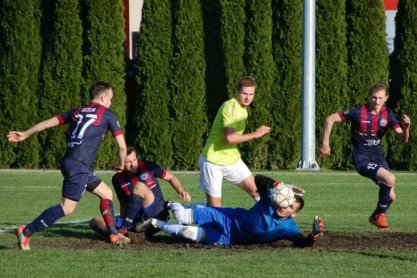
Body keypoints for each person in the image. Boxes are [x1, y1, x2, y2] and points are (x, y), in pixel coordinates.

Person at [7, 81, 131, 250]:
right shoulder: (107, 114)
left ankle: (113, 233)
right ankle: (26, 231)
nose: (111, 102)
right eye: (110, 99)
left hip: (73, 163)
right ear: (103, 97)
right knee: (67, 208)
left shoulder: (78, 111)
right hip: (79, 166)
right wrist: (121, 164)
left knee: (106, 193)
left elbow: (47, 123)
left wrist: (26, 134)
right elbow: (122, 146)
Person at [319, 82, 411, 230]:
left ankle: (375, 216)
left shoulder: (388, 114)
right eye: (374, 98)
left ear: (386, 98)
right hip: (361, 158)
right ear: (369, 97)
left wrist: (406, 129)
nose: (377, 101)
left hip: (378, 157)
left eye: (380, 98)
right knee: (390, 178)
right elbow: (330, 119)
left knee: (391, 197)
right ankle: (380, 216)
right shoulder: (357, 111)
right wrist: (325, 143)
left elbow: (403, 139)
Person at [143, 174, 323, 247]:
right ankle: (171, 203)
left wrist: (313, 235)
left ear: (295, 213)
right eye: (286, 201)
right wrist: (279, 185)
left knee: (187, 232)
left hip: (228, 238)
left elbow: (301, 241)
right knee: (181, 216)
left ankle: (155, 222)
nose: (285, 206)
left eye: (290, 207)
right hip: (225, 217)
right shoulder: (270, 200)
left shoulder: (288, 227)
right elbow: (258, 179)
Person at [88, 145, 192, 238]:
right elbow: (123, 203)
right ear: (121, 163)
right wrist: (121, 219)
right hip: (135, 218)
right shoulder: (117, 179)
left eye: (134, 159)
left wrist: (181, 191)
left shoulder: (148, 167)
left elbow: (171, 177)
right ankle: (128, 235)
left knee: (139, 187)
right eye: (128, 162)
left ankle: (125, 228)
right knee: (95, 222)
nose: (133, 164)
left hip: (156, 212)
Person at [199, 76, 271, 207]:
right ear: (236, 92)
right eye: (244, 93)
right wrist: (255, 134)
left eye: (251, 94)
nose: (248, 97)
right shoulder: (231, 107)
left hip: (232, 160)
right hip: (213, 161)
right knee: (215, 208)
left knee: (256, 191)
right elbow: (230, 138)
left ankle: (266, 224)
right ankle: (185, 211)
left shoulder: (243, 109)